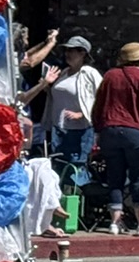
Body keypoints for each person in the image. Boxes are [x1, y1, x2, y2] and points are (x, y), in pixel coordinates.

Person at [91, 40, 139, 236]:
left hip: (109, 131)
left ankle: (114, 223)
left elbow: (98, 106)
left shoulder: (109, 75)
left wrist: (98, 130)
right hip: (135, 132)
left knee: (114, 177)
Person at [42, 35, 101, 170]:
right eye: (66, 50)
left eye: (71, 50)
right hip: (59, 129)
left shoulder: (90, 73)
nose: (67, 54)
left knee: (76, 168)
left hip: (79, 131)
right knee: (59, 166)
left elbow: (102, 97)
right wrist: (46, 88)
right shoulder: (64, 72)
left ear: (82, 53)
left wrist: (82, 114)